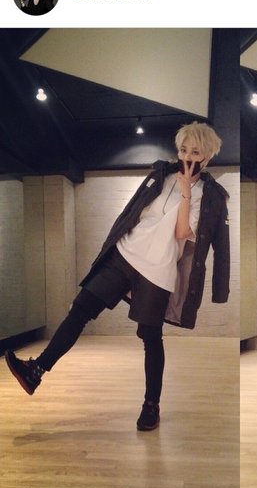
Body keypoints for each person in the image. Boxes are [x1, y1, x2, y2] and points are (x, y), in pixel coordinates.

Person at [5, 121, 230, 431]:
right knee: (80, 309)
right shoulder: (159, 174)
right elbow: (133, 213)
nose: (187, 157)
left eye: (195, 152)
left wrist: (186, 193)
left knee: (150, 337)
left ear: (207, 157)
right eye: (183, 149)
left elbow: (182, 232)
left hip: (158, 269)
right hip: (125, 254)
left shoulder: (210, 196)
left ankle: (151, 405)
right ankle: (37, 370)